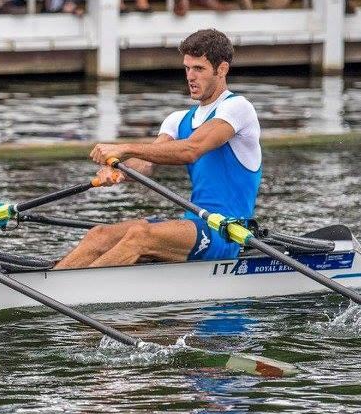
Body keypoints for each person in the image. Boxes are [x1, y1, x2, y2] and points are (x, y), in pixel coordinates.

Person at [55, 28, 261, 269]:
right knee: (99, 235)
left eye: (199, 69)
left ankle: (81, 287)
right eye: (187, 68)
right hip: (194, 224)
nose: (190, 76)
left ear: (222, 69)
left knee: (139, 235)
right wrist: (119, 170)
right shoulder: (178, 120)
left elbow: (191, 150)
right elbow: (145, 164)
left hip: (228, 232)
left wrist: (125, 148)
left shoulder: (237, 108)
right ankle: (54, 283)